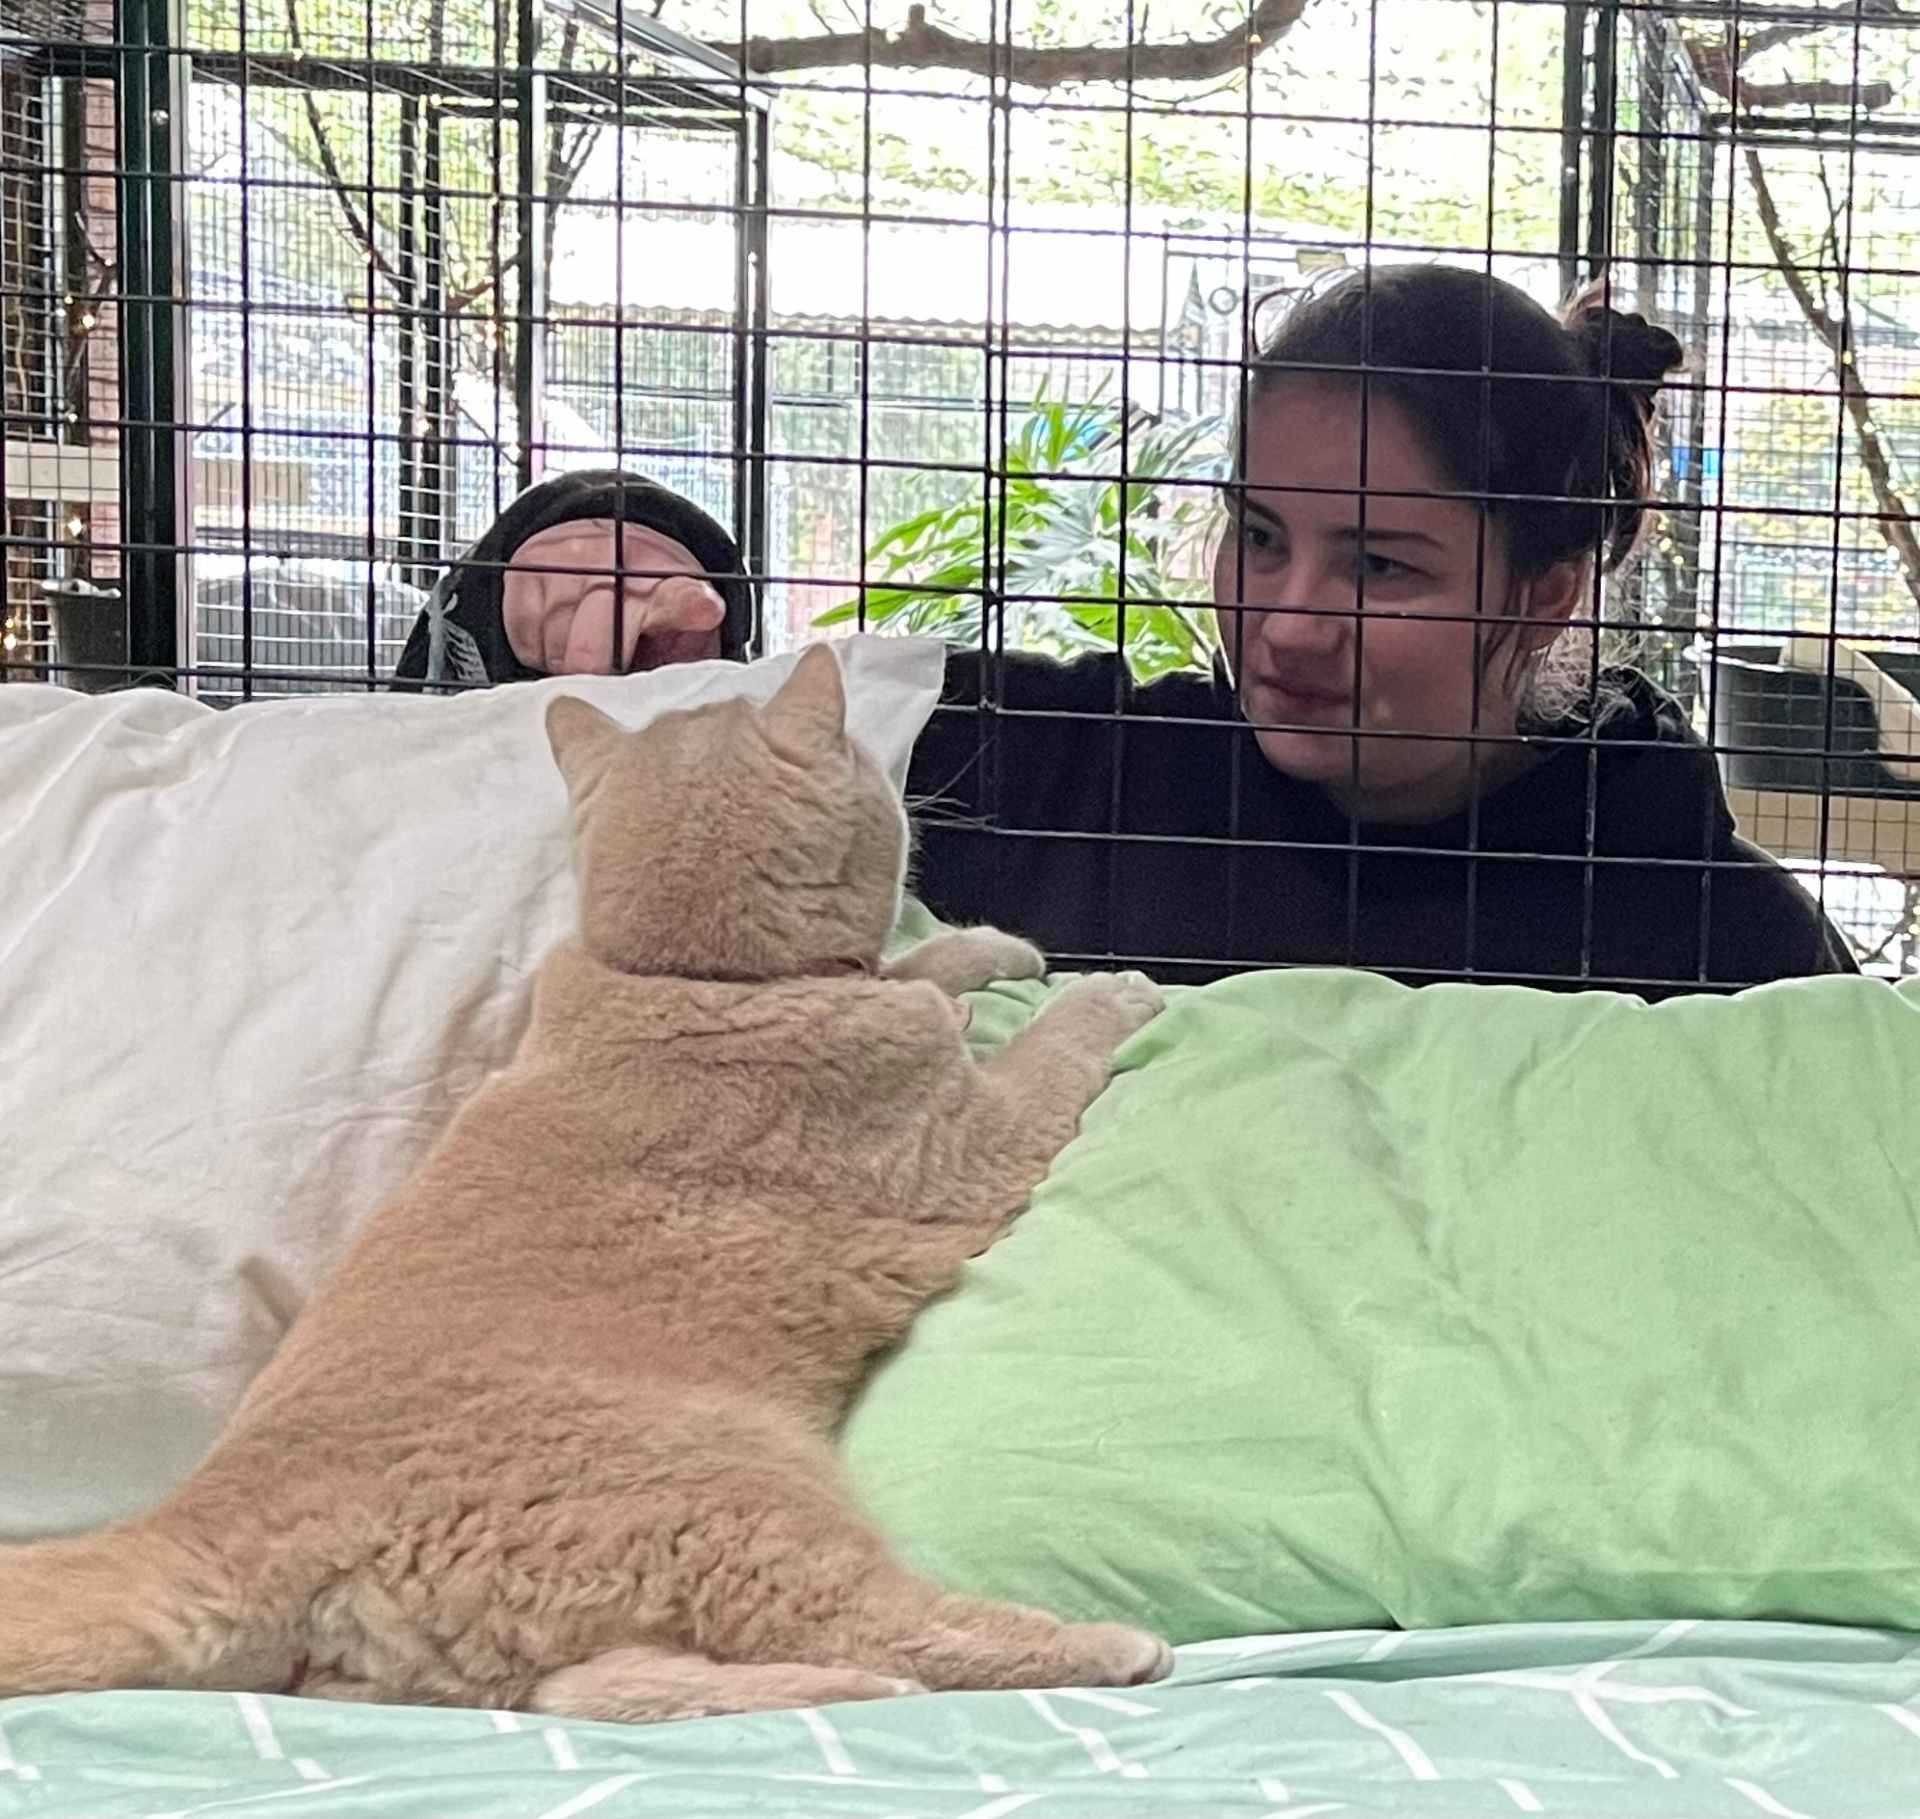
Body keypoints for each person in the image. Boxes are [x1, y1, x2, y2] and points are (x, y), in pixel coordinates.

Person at [394, 264, 1857, 999]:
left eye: (1382, 568)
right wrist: (591, 569)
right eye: (1262, 535)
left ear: (1546, 591)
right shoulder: (1048, 762)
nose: (1286, 619)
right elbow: (494, 765)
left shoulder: (1718, 936)